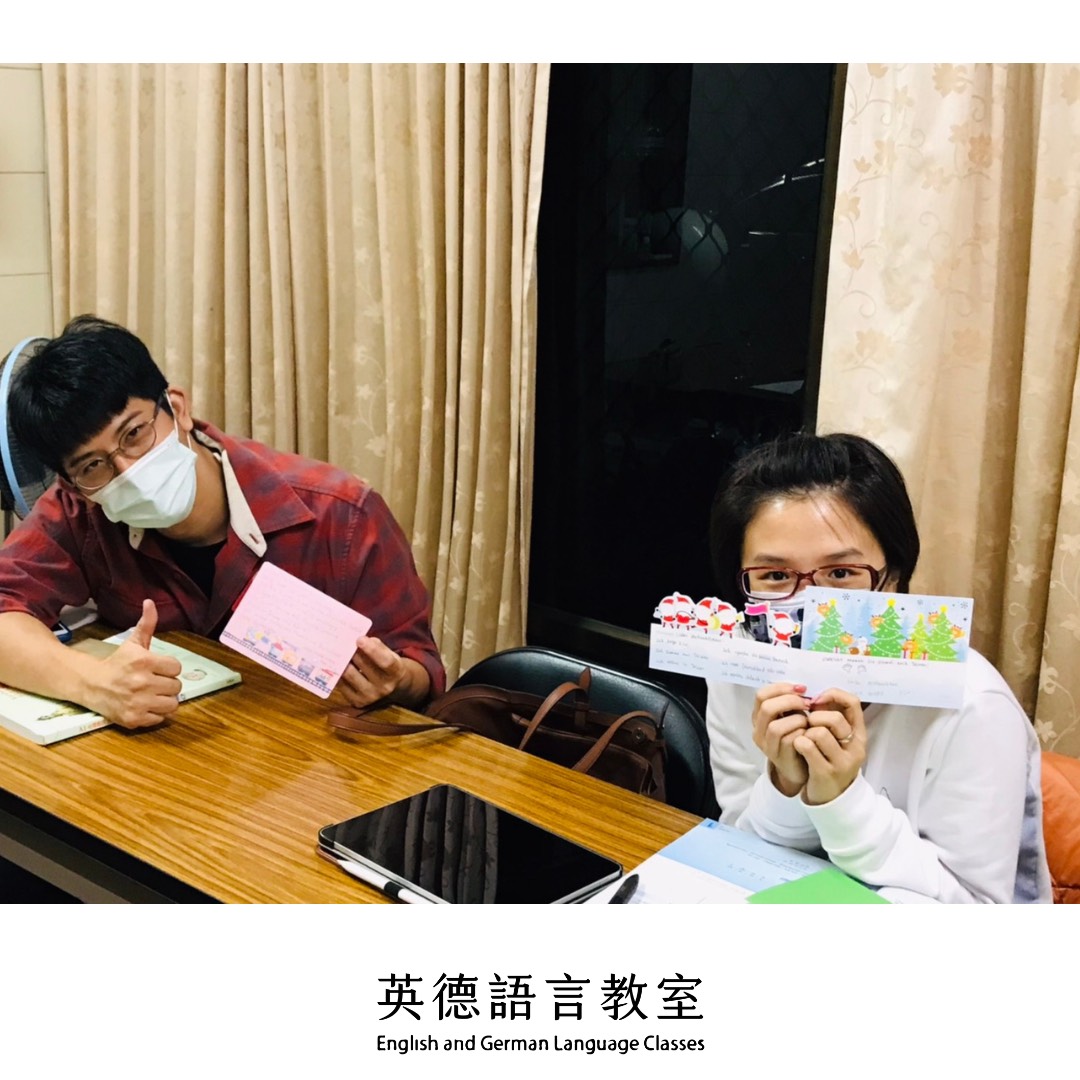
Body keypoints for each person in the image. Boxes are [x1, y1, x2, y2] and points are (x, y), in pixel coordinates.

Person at [0, 315, 445, 729]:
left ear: (177, 408)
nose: (127, 471)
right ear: (75, 484)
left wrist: (395, 681)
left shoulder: (340, 513)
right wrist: (92, 682)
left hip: (318, 757)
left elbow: (420, 671)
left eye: (134, 434)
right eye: (93, 465)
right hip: (170, 757)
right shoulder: (81, 510)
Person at [706, 431, 1050, 903]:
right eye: (776, 576)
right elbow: (740, 852)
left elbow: (975, 907)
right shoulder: (738, 670)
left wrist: (840, 796)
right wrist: (785, 785)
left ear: (895, 574)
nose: (812, 605)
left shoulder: (973, 704)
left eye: (841, 573)